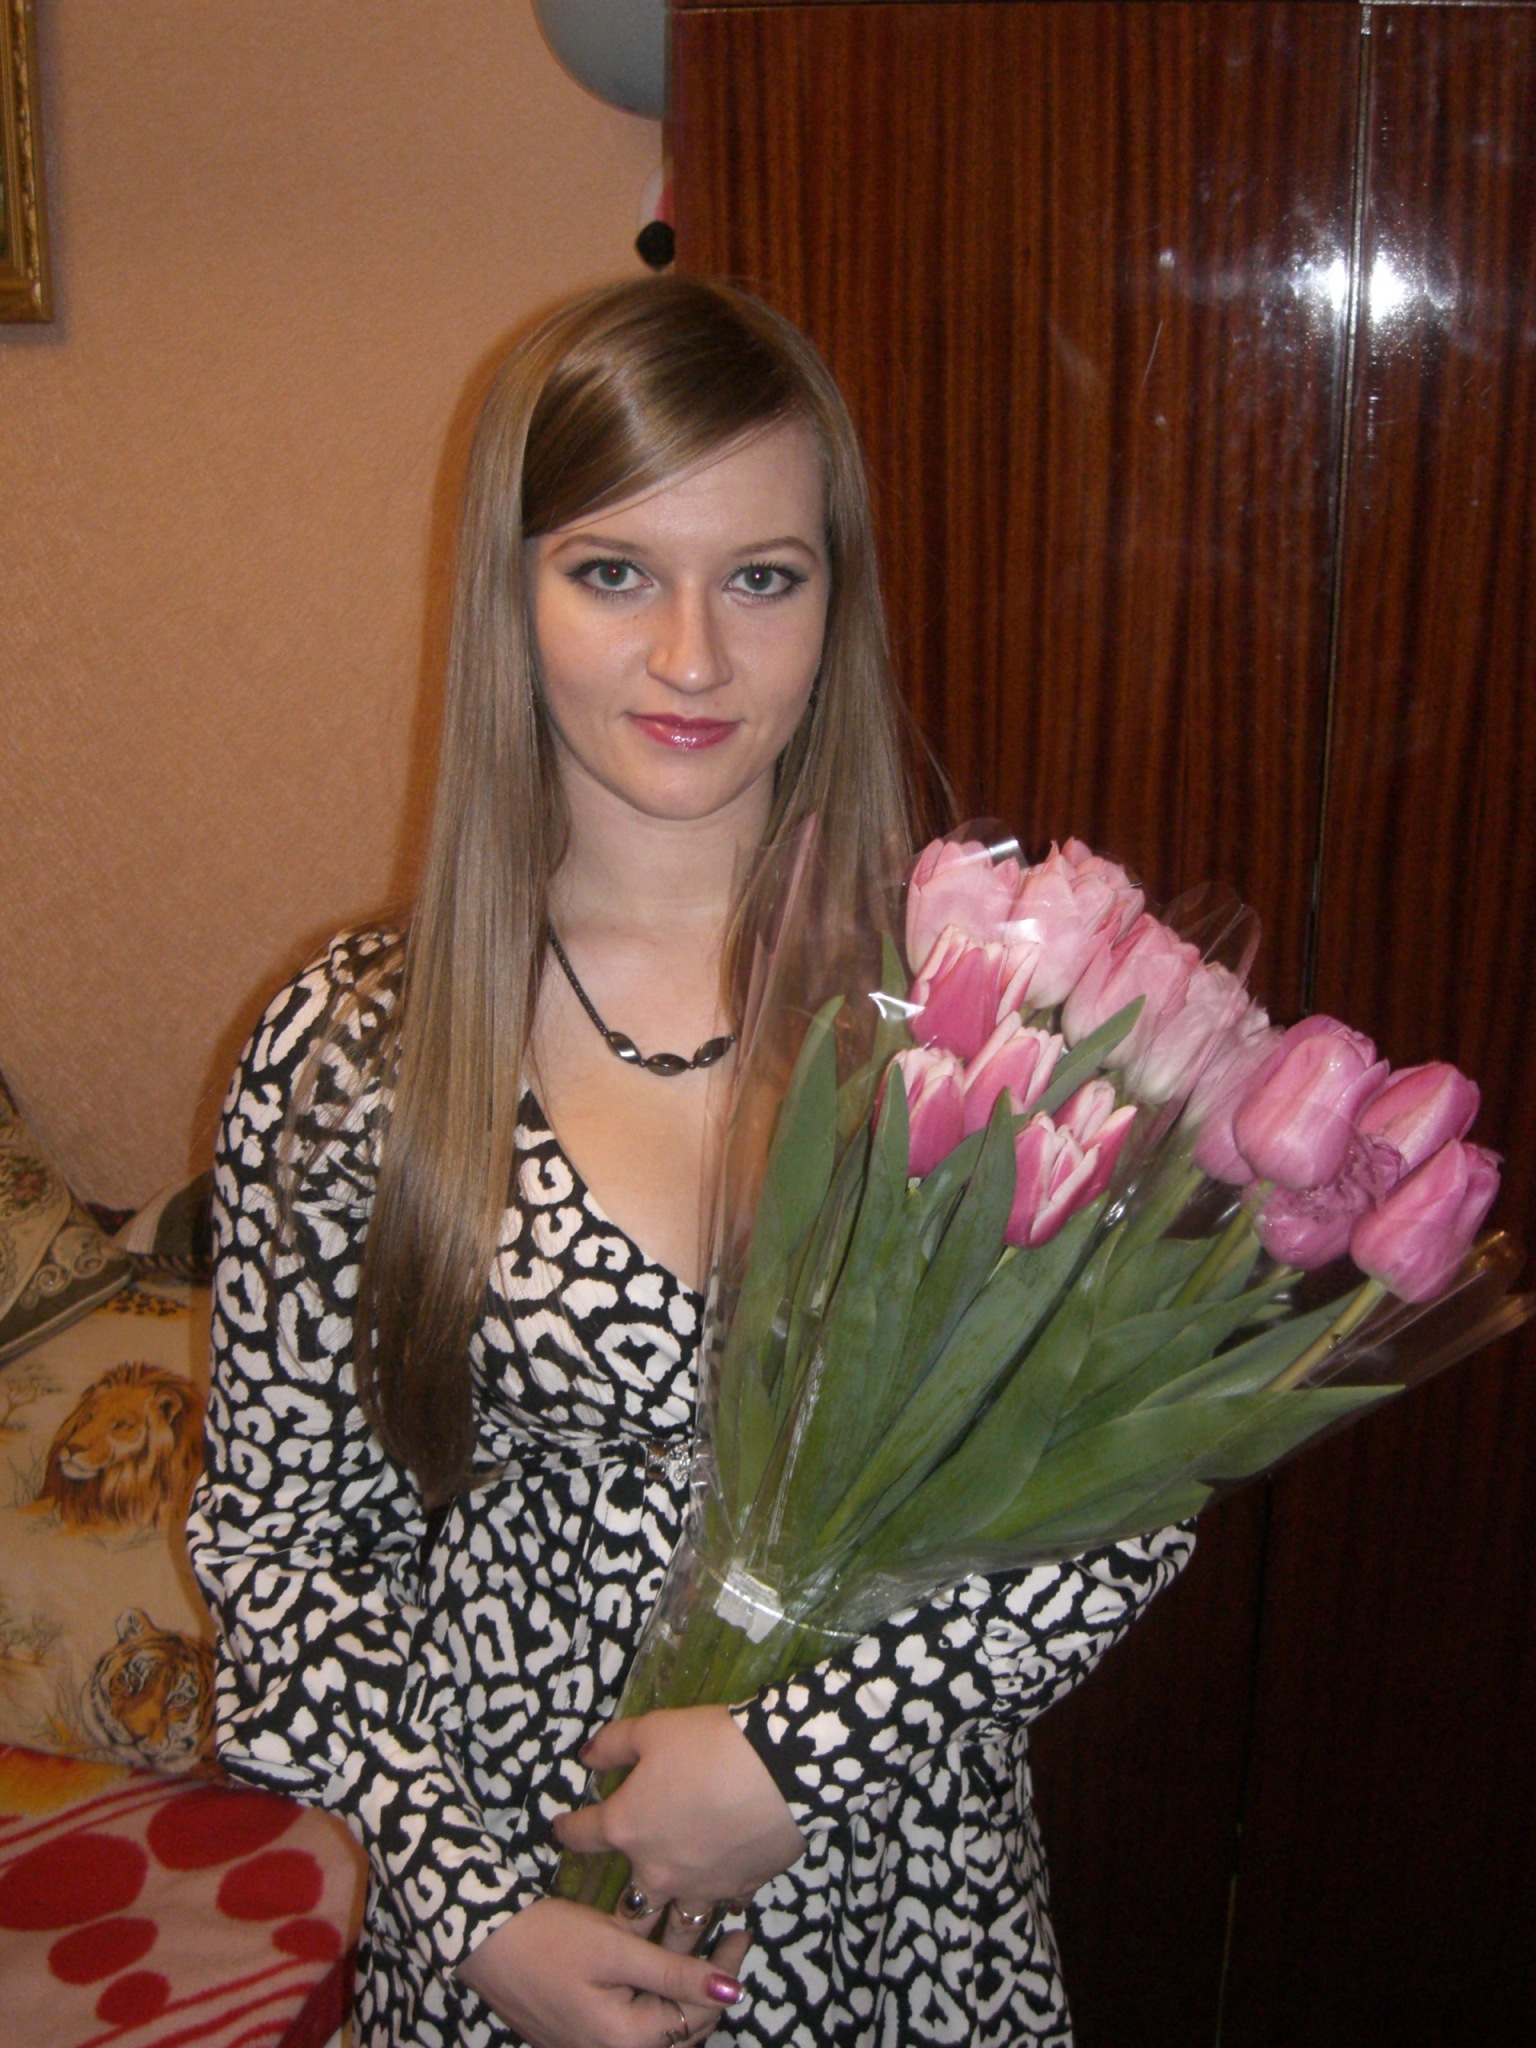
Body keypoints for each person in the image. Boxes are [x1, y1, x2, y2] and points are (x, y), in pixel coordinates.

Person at [188, 277, 1193, 2048]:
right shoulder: (353, 1049)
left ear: (836, 603)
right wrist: (476, 1910)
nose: (692, 658)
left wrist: (801, 1754)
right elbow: (281, 1550)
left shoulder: (972, 1000)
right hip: (511, 1915)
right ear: (510, 594)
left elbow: (1127, 1493)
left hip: (893, 1902)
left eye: (761, 578)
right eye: (612, 572)